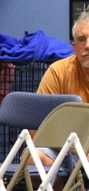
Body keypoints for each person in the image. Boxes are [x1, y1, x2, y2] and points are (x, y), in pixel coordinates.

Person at [33, 12, 89, 168]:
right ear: (74, 47)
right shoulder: (58, 71)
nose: (87, 45)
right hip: (61, 147)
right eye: (82, 39)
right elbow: (36, 123)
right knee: (33, 157)